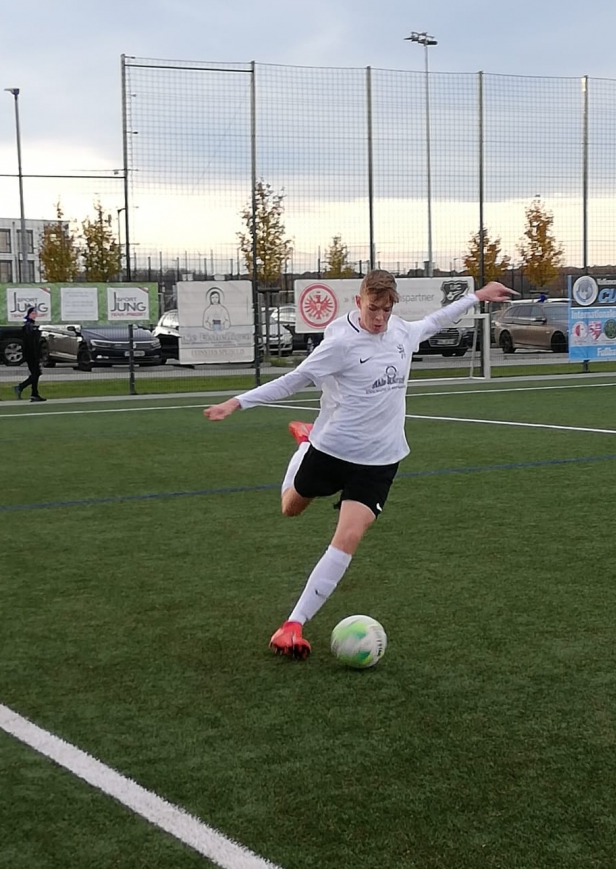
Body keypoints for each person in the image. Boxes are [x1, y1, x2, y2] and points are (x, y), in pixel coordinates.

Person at [204, 270, 516, 659]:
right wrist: (237, 402)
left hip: (380, 460)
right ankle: (303, 445)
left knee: (349, 535)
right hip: (331, 451)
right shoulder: (339, 344)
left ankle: (292, 625)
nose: (380, 318)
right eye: (373, 309)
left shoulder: (401, 332)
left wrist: (478, 295)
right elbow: (294, 381)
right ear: (358, 302)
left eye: (386, 310)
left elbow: (436, 320)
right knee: (290, 508)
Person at [13, 307, 46, 401]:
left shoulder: (31, 326)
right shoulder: (28, 326)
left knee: (35, 373)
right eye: (33, 313)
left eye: (35, 313)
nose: (35, 315)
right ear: (29, 314)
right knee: (36, 373)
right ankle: (21, 387)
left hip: (33, 354)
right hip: (31, 354)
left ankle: (34, 394)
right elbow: (31, 342)